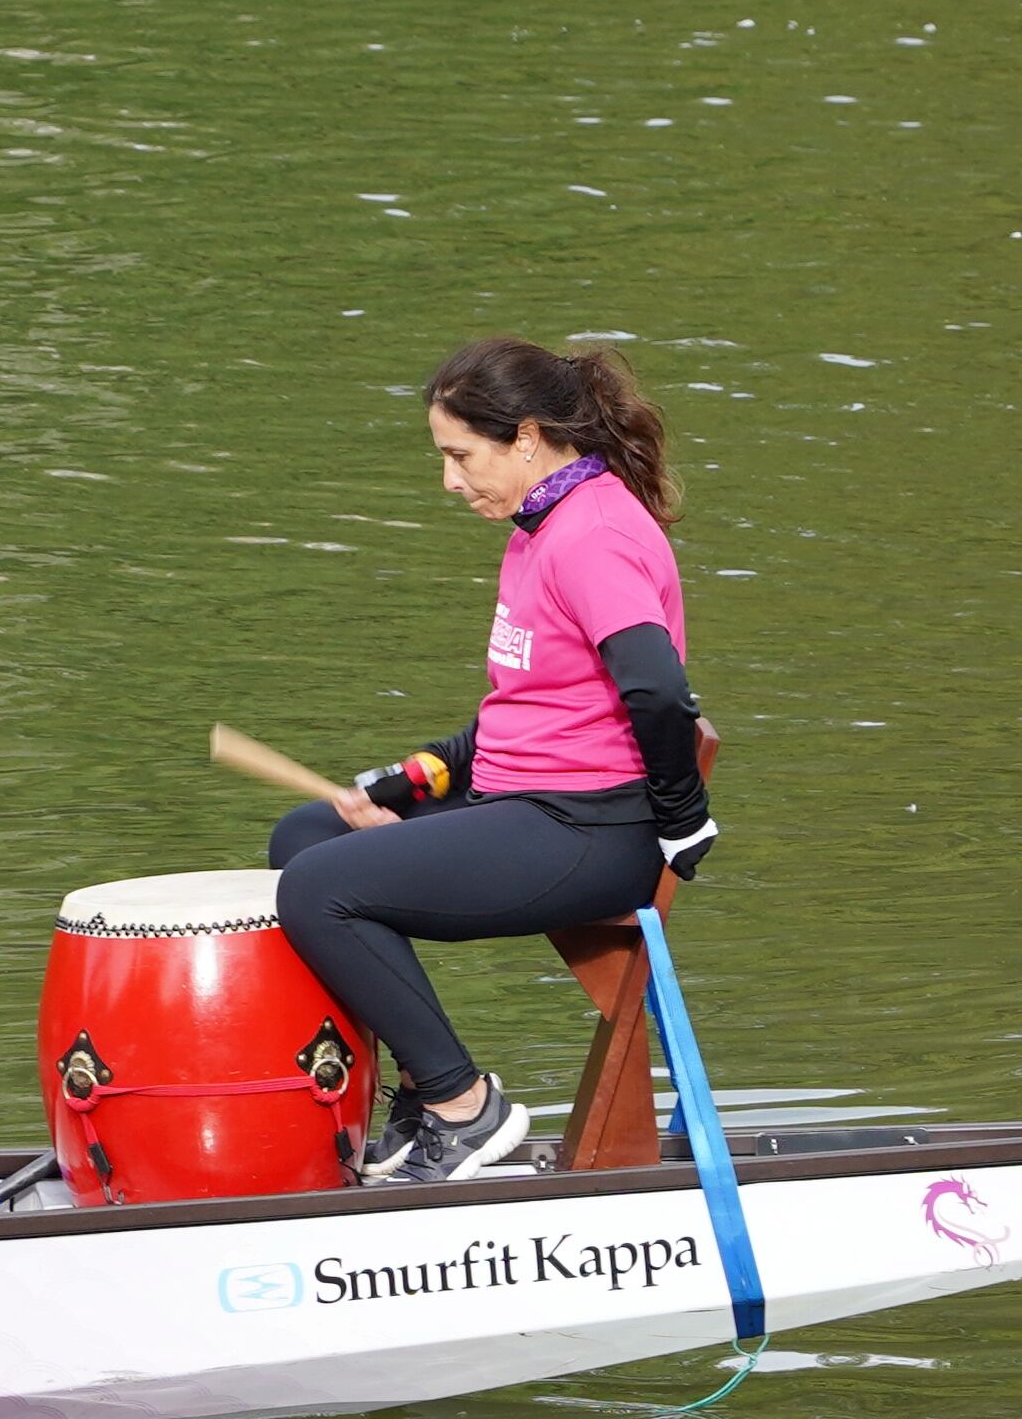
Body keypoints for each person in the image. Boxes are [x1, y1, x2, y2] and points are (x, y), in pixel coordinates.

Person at [268, 338, 714, 1184]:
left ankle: (465, 1108)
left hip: (591, 830)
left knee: (318, 890)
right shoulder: (539, 525)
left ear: (527, 437)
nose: (450, 480)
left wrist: (687, 819)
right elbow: (529, 707)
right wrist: (420, 775)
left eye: (459, 456)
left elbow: (657, 690)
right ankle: (419, 1097)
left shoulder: (592, 535)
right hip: (525, 800)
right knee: (304, 838)